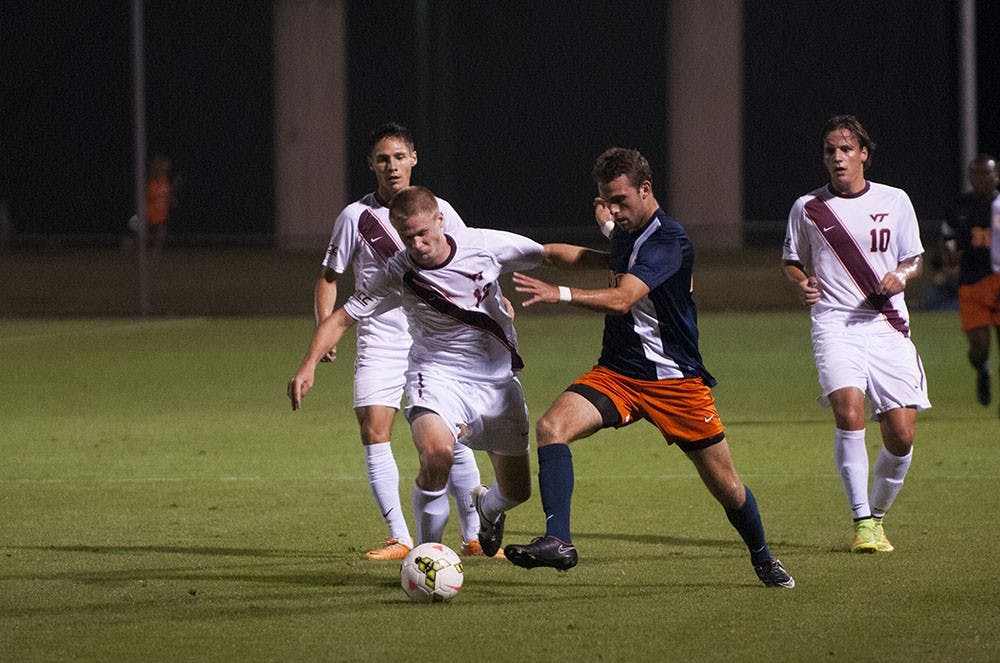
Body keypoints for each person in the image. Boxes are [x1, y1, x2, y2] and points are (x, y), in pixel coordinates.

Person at [504, 147, 795, 588]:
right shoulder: (625, 229)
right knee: (551, 427)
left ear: (646, 190)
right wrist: (522, 253)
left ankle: (762, 556)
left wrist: (558, 294)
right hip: (618, 373)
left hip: (674, 382)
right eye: (607, 201)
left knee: (726, 486)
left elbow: (622, 297)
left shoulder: (668, 241)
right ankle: (558, 541)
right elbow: (596, 256)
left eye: (621, 200)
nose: (614, 211)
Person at [291, 186, 600, 555]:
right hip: (435, 377)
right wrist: (308, 365)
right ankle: (426, 556)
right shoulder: (398, 272)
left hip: (496, 384)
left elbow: (549, 254)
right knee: (437, 455)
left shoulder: (482, 245)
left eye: (423, 233)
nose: (417, 244)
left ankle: (487, 508)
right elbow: (342, 318)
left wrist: (615, 260)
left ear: (440, 220)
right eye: (408, 238)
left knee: (517, 492)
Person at [314, 123, 483, 560]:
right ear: (371, 165)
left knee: (451, 436)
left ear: (414, 159)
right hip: (379, 338)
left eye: (399, 156)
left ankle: (474, 537)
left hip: (435, 336)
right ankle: (400, 537)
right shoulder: (355, 217)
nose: (391, 166)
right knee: (374, 430)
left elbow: (469, 260)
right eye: (382, 159)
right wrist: (324, 329)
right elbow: (329, 278)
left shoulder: (439, 208)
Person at [782, 114, 931, 554]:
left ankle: (878, 516)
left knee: (901, 436)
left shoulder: (896, 200)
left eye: (846, 149)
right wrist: (801, 282)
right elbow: (791, 260)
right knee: (849, 411)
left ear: (863, 153)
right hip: (835, 325)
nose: (838, 157)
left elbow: (914, 258)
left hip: (888, 326)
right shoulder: (808, 207)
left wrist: (901, 276)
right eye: (830, 150)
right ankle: (862, 520)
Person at [940, 154, 1000, 411]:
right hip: (972, 282)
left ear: (996, 175)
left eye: (986, 174)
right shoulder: (959, 206)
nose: (980, 179)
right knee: (979, 347)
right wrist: (950, 255)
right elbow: (948, 238)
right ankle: (982, 370)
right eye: (975, 174)